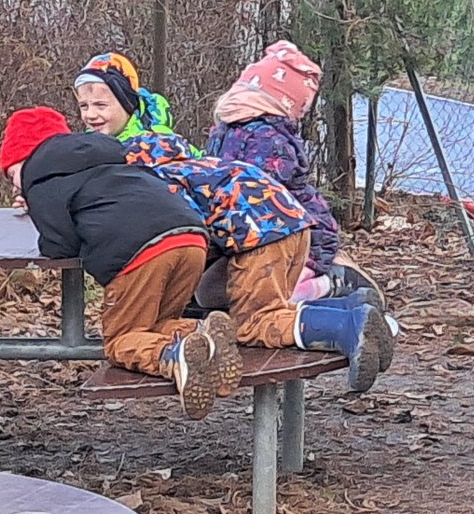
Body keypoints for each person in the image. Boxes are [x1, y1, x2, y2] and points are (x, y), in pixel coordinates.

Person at [72, 53, 393, 392]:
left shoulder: (132, 163)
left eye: (101, 105)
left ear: (128, 104)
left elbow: (177, 219)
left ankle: (348, 327)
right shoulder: (164, 143)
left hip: (261, 232)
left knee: (255, 322)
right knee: (245, 307)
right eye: (84, 106)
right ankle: (349, 308)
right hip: (285, 222)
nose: (91, 114)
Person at [0, 107, 235, 418]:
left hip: (140, 253)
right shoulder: (108, 157)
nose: (16, 186)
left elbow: (59, 245)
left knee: (121, 341)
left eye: (12, 174)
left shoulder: (40, 177)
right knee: (155, 324)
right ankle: (203, 333)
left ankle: (172, 356)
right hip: (191, 237)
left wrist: (39, 206)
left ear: (25, 158)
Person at [207, 41, 364, 302]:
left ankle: (331, 283)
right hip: (250, 236)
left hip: (298, 237)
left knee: (270, 297)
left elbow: (266, 201)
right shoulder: (226, 131)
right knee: (211, 294)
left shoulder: (269, 142)